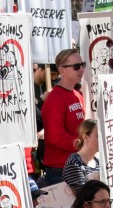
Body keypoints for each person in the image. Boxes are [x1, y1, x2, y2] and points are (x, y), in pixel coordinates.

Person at [40, 49, 86, 187]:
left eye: (82, 65)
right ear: (62, 70)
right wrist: (82, 145)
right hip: (60, 170)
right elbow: (55, 136)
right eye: (76, 66)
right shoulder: (54, 99)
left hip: (77, 164)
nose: (81, 70)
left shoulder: (78, 95)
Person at [62, 120, 99, 192]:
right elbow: (83, 196)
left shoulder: (98, 161)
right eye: (98, 136)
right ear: (85, 137)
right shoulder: (74, 163)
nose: (102, 138)